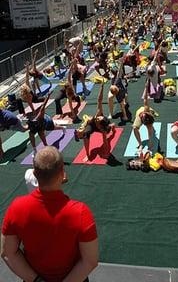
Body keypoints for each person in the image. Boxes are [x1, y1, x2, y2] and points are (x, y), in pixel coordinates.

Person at [1, 146, 98, 282]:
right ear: (63, 173)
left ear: (34, 174)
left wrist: (37, 280)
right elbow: (90, 261)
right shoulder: (80, 212)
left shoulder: (17, 208)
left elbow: (8, 253)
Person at [74, 84, 116, 162]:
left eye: (99, 119)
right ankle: (87, 154)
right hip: (92, 125)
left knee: (109, 137)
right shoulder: (99, 114)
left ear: (100, 125)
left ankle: (112, 126)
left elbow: (105, 142)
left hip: (104, 127)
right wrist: (102, 87)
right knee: (86, 135)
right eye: (99, 117)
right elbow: (99, 100)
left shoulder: (103, 129)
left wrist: (106, 154)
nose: (98, 117)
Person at [27, 93, 66, 157]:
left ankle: (62, 127)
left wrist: (48, 96)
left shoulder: (41, 114)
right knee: (31, 134)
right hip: (38, 125)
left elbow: (43, 105)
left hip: (46, 122)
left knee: (49, 130)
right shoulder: (30, 119)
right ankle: (35, 150)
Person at [133, 81, 159, 157]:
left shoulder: (149, 117)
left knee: (151, 131)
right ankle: (140, 144)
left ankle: (150, 144)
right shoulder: (145, 109)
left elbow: (150, 134)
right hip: (140, 113)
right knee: (135, 128)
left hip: (149, 115)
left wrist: (150, 147)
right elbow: (145, 98)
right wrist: (146, 87)